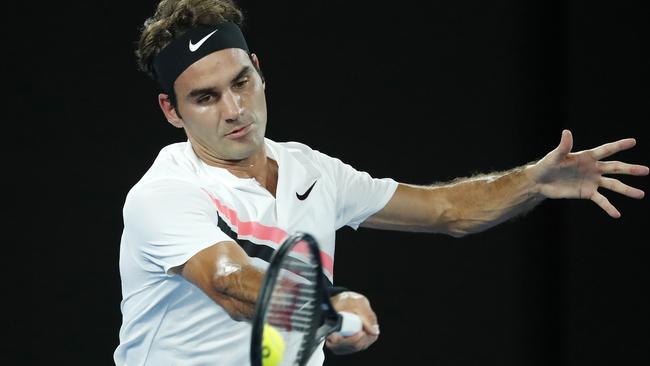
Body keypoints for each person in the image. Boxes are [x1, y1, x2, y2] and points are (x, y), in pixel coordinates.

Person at [114, 0, 649, 365]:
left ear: (257, 70)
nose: (235, 110)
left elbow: (447, 210)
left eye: (241, 83)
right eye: (206, 97)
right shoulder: (164, 193)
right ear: (171, 110)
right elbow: (230, 282)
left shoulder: (312, 171)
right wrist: (329, 308)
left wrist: (533, 180)